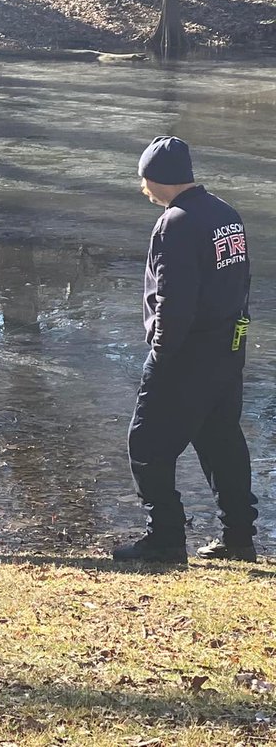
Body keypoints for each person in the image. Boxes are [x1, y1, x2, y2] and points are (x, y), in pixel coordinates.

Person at [113, 136, 258, 563]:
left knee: (146, 445)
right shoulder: (225, 214)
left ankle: (165, 538)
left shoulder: (175, 222)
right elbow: (240, 285)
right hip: (227, 350)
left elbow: (174, 299)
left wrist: (160, 353)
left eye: (144, 179)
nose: (143, 189)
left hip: (184, 354)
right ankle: (238, 538)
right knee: (221, 441)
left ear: (156, 178)